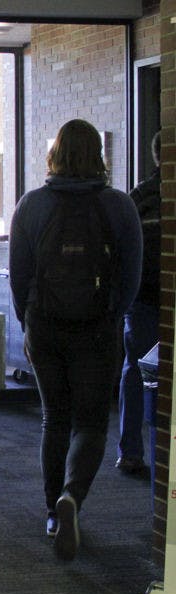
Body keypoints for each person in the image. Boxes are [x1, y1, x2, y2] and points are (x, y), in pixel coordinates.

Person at [8, 119, 142, 561]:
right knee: (91, 423)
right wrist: (113, 316)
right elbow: (131, 276)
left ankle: (52, 510)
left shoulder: (32, 205)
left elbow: (19, 275)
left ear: (55, 154)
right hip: (98, 329)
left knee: (55, 419)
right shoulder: (119, 206)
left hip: (45, 326)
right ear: (98, 157)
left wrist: (28, 323)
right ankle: (72, 497)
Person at [115, 131, 161, 474]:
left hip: (141, 299)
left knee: (135, 370)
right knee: (137, 371)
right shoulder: (140, 198)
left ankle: (130, 451)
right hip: (147, 300)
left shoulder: (138, 197)